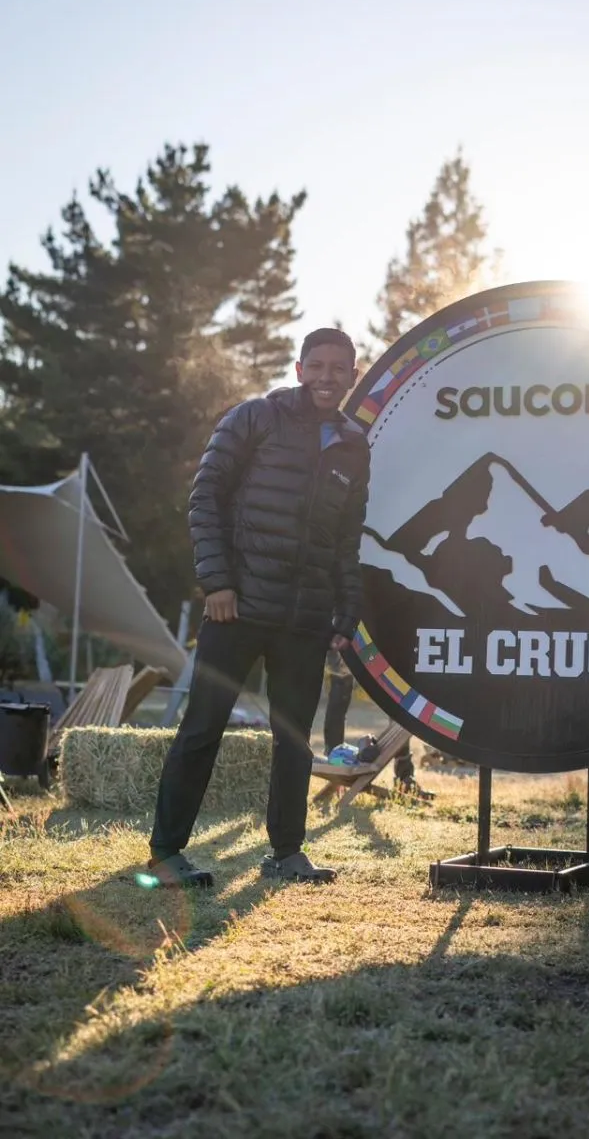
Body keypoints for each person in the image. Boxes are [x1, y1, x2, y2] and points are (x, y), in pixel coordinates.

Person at [147, 328, 370, 887]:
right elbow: (205, 497)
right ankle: (166, 854)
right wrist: (216, 582)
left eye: (337, 368)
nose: (326, 377)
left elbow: (346, 539)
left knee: (294, 738)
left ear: (353, 375)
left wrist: (346, 612)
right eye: (316, 365)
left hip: (305, 619)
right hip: (237, 610)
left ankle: (286, 854)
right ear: (299, 370)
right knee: (203, 728)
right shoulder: (255, 418)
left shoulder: (354, 445)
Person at [323, 649, 435, 800]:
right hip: (343, 639)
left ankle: (405, 778)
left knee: (397, 698)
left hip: (378, 640)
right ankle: (334, 768)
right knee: (338, 696)